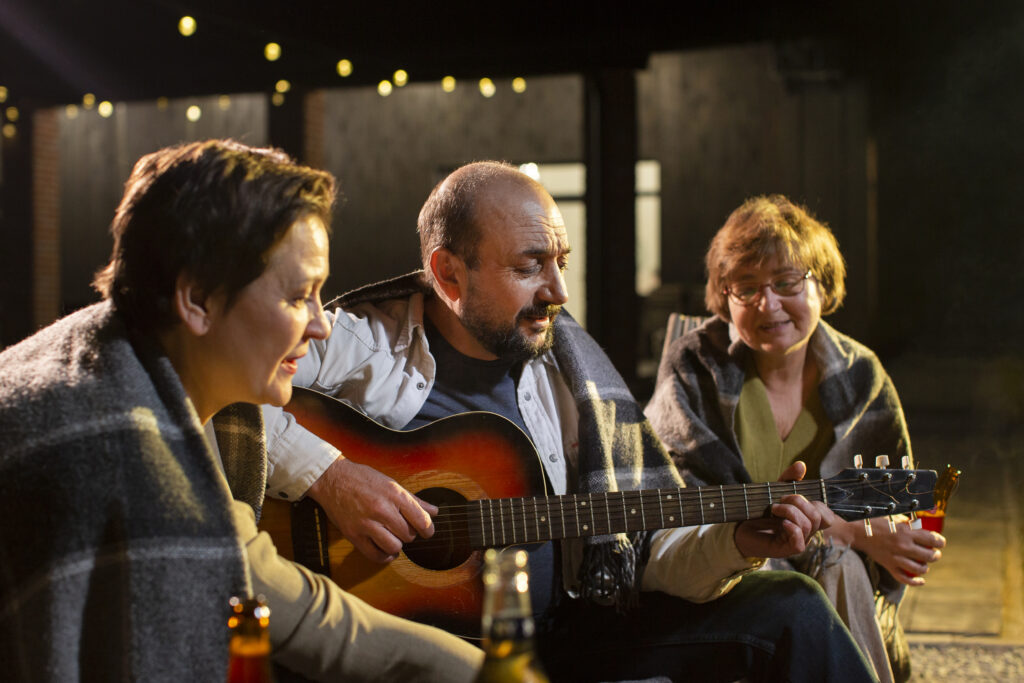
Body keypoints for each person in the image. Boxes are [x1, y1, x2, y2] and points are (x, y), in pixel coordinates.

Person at [263, 162, 879, 682]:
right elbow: (214, 398)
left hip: (570, 632)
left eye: (561, 261)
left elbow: (645, 545)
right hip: (414, 645)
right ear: (449, 273)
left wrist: (737, 543)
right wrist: (330, 476)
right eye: (530, 266)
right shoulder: (356, 345)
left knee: (792, 604)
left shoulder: (572, 375)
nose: (559, 290)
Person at [0, 140, 482, 682]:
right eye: (299, 295)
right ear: (197, 300)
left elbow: (267, 586)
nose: (321, 325)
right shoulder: (131, 463)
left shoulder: (118, 357)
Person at [644, 194, 947, 683]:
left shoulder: (861, 375)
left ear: (821, 287)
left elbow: (896, 502)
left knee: (839, 563)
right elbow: (673, 504)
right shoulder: (694, 364)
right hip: (730, 577)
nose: (768, 304)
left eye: (787, 283)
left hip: (840, 581)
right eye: (746, 288)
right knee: (834, 551)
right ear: (725, 298)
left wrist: (902, 537)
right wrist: (842, 526)